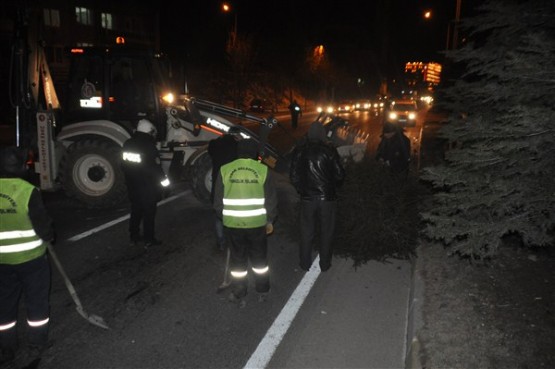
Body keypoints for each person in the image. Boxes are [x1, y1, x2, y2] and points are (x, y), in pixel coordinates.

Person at [0, 146, 55, 364]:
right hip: (31, 259)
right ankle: (37, 342)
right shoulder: (27, 191)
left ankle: (6, 347)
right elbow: (43, 227)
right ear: (22, 167)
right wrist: (50, 235)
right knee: (37, 302)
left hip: (2, 262)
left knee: (4, 304)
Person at [213, 138, 278, 305]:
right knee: (260, 261)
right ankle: (263, 290)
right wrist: (269, 220)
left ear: (238, 152)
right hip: (257, 224)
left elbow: (217, 201)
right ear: (254, 152)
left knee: (237, 260)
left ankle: (239, 291)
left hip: (233, 225)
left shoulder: (225, 170)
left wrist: (227, 217)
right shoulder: (263, 170)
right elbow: (271, 200)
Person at [289, 121, 345, 272]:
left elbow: (293, 175)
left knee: (306, 232)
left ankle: (304, 263)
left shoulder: (300, 151)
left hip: (307, 199)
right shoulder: (329, 150)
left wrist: (302, 190)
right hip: (327, 199)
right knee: (327, 232)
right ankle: (325, 264)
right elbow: (340, 175)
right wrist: (332, 186)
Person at [121, 119, 170, 247]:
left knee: (136, 210)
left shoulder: (127, 144)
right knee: (149, 213)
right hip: (148, 188)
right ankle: (149, 238)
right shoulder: (149, 147)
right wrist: (166, 186)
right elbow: (156, 170)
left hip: (132, 185)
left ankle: (134, 235)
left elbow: (124, 165)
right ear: (149, 132)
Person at [207, 126, 242, 251]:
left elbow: (211, 149)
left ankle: (221, 242)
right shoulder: (238, 146)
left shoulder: (215, 144)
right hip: (232, 184)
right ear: (237, 135)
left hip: (218, 183)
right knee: (234, 212)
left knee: (218, 214)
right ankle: (235, 241)